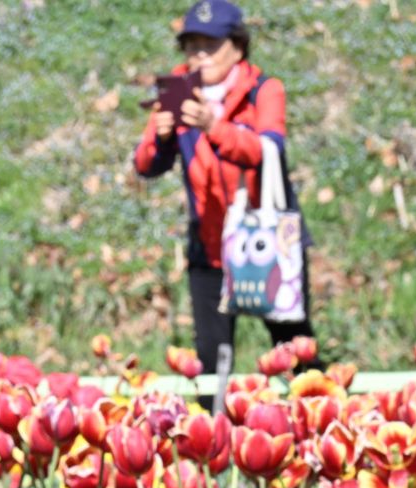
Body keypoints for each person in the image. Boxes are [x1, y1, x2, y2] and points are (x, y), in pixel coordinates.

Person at [134, 0, 318, 405]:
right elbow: (145, 166)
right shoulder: (177, 89)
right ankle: (213, 435)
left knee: (292, 342)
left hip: (271, 235)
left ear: (237, 47)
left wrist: (213, 127)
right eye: (192, 45)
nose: (200, 55)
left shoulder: (264, 89)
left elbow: (267, 151)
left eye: (211, 45)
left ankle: (318, 420)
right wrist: (160, 137)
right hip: (210, 240)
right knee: (211, 356)